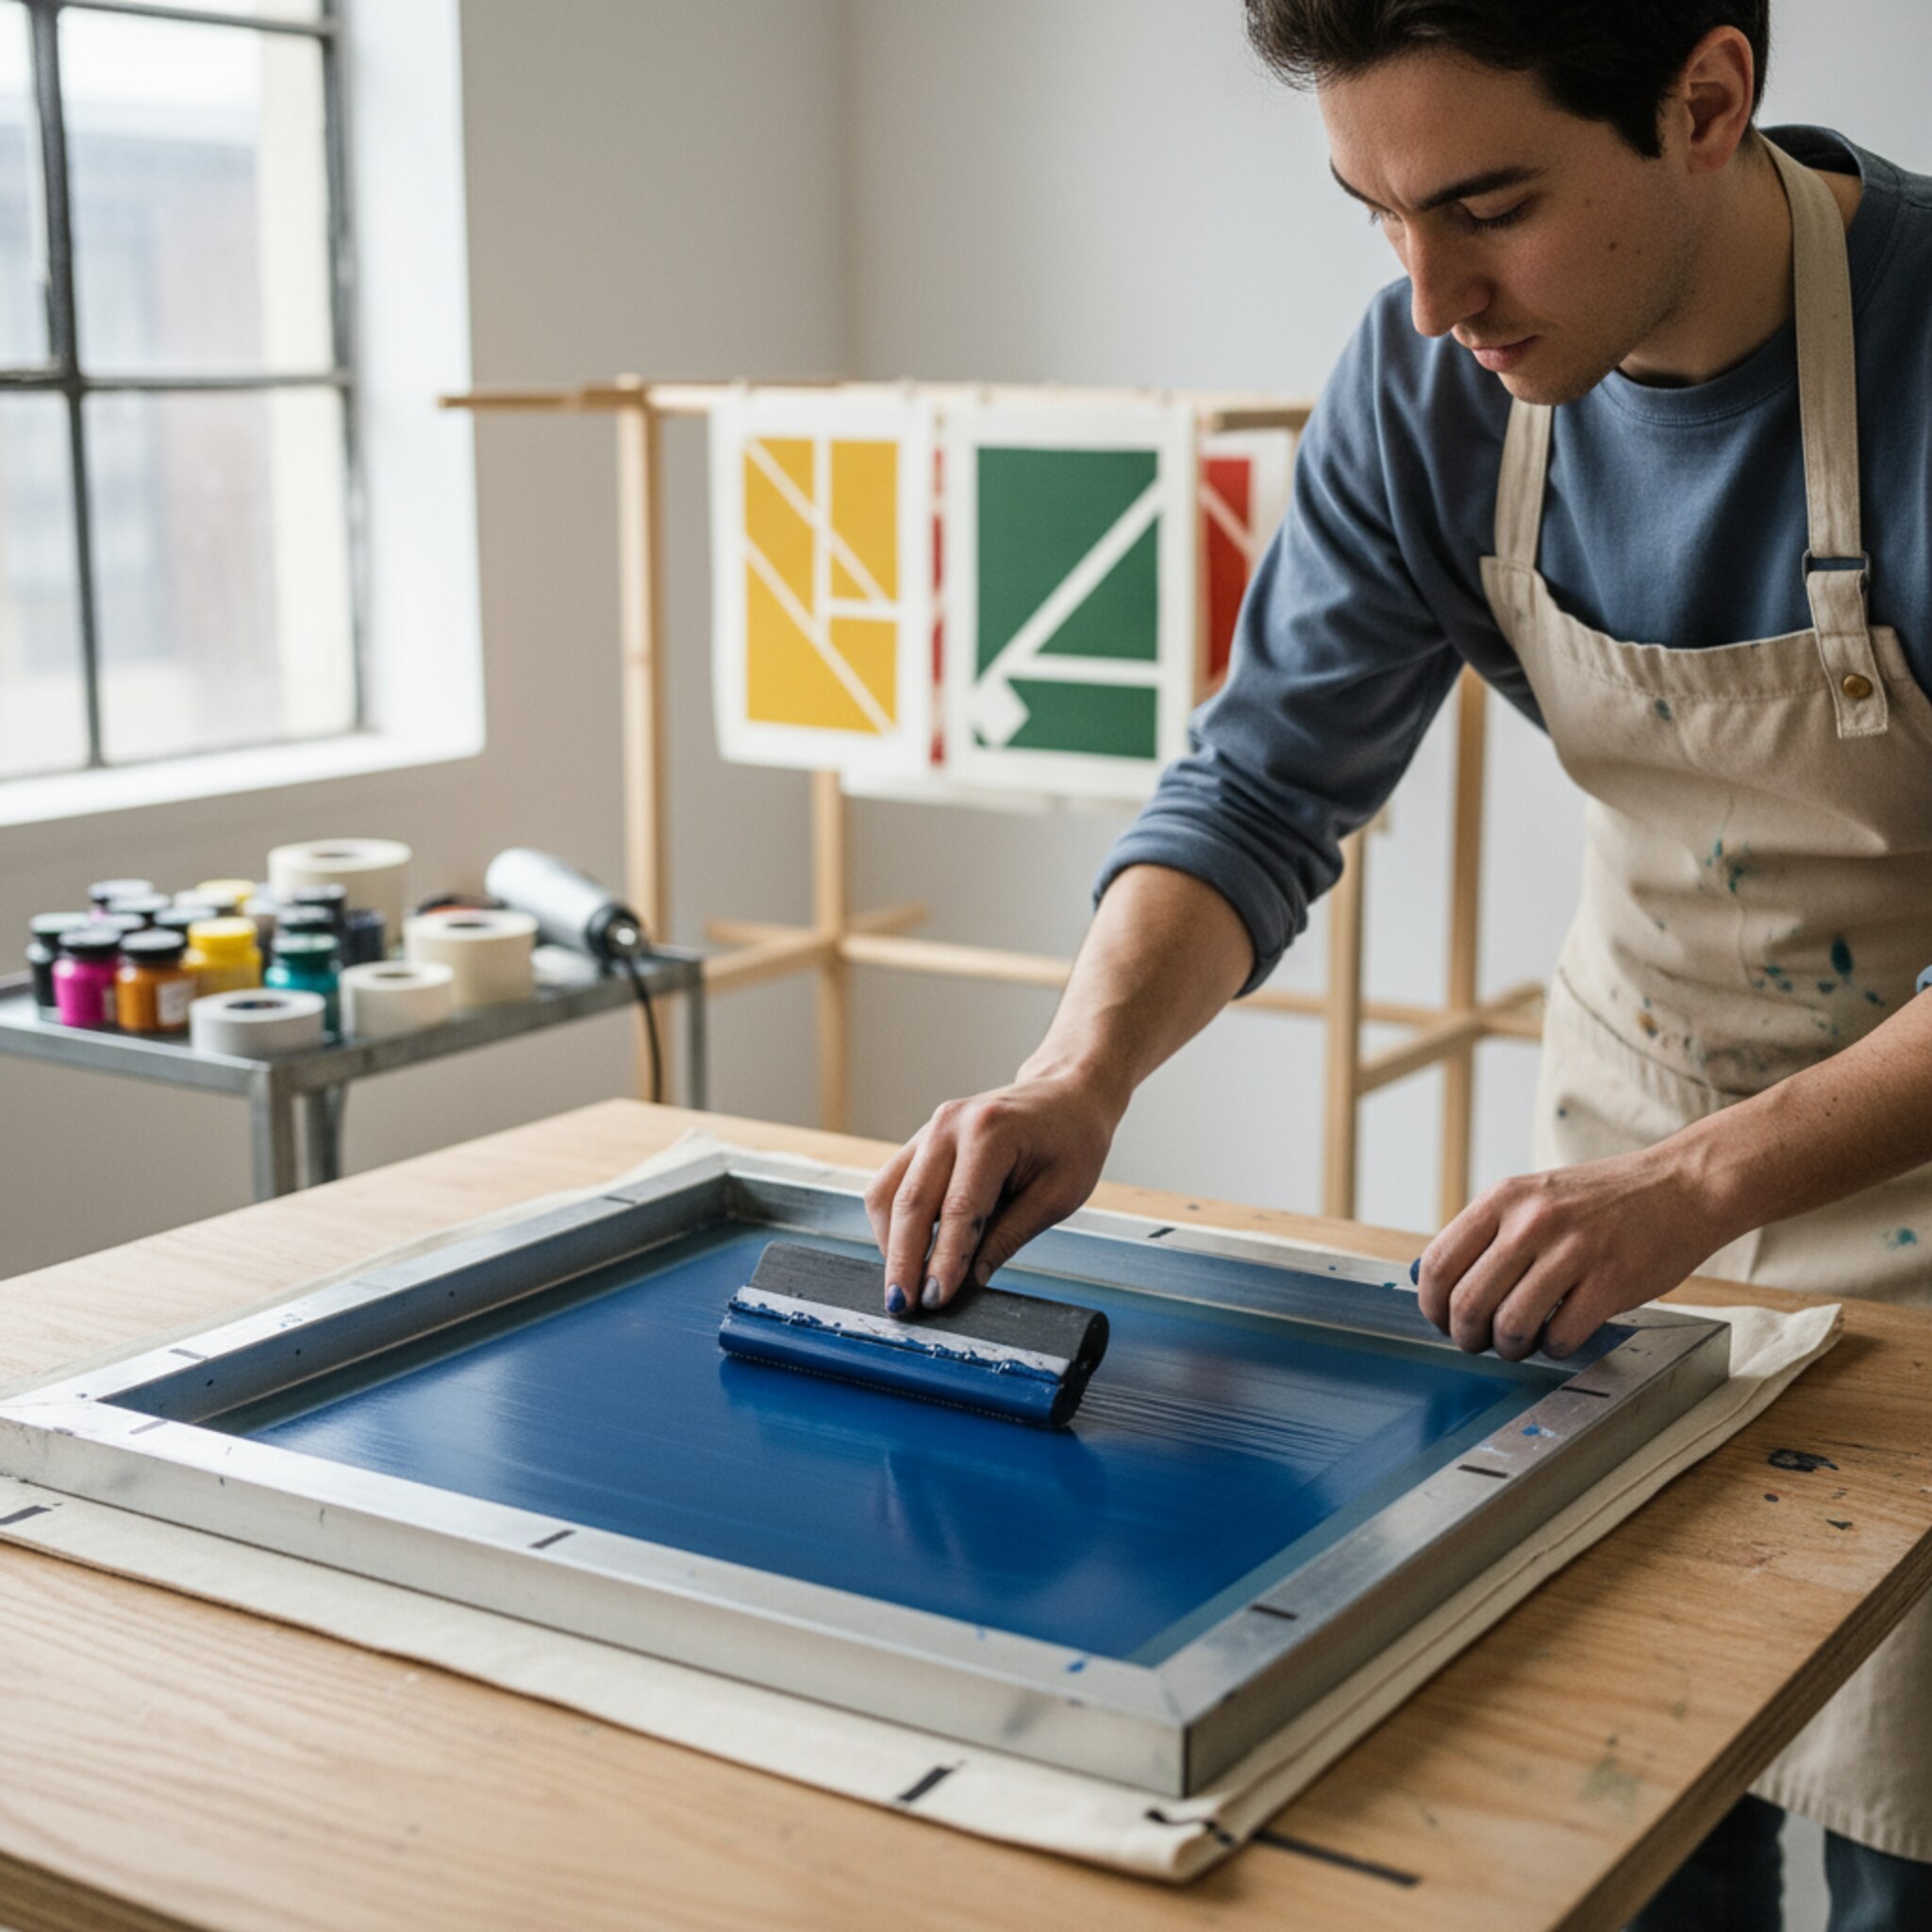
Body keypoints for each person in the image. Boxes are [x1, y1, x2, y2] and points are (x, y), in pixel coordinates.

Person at [862, 3, 1932, 1924]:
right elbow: (1266, 780)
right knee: (1612, 1795)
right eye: (1374, 216)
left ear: (1705, 100)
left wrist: (1704, 1183)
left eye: (1488, 208)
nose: (1433, 299)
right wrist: (1079, 1069)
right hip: (1631, 1132)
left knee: (1901, 1836)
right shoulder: (1434, 387)